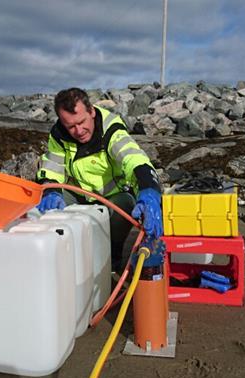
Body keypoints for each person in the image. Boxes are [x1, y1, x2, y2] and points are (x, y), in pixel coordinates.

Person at [36, 87, 163, 270]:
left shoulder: (111, 129)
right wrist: (50, 191)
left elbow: (133, 158)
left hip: (110, 198)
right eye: (71, 126)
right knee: (43, 206)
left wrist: (149, 190)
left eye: (82, 122)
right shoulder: (58, 135)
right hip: (78, 195)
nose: (78, 131)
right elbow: (52, 168)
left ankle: (112, 256)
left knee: (126, 207)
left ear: (92, 112)